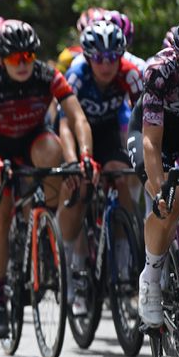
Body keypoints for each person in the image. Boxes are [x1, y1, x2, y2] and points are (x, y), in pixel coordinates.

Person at [0, 20, 93, 338]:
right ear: (2, 59)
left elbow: (77, 116)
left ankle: (43, 228)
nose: (22, 64)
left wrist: (84, 157)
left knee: (52, 151)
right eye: (14, 58)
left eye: (27, 56)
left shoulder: (47, 75)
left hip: (33, 142)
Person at [136, 19, 179, 328]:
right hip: (158, 137)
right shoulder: (160, 72)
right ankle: (151, 279)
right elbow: (151, 141)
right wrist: (159, 191)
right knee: (172, 200)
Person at [64, 20, 142, 216]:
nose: (106, 65)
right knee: (80, 187)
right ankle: (74, 246)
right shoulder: (76, 76)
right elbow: (64, 123)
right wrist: (73, 162)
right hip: (76, 134)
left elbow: (145, 118)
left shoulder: (130, 74)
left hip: (108, 133)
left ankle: (125, 243)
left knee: (120, 176)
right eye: (99, 58)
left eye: (113, 57)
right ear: (88, 58)